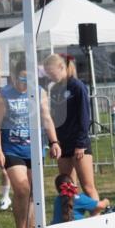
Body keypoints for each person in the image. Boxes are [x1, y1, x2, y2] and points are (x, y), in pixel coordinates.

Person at [0, 62, 62, 228]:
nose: (25, 83)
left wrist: (54, 142)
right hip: (12, 149)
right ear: (14, 77)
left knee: (33, 194)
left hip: (35, 149)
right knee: (22, 189)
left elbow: (46, 118)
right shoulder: (4, 96)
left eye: (28, 79)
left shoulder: (39, 92)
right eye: (22, 78)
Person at [44, 53, 99, 202]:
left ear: (61, 67)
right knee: (67, 187)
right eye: (47, 73)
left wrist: (80, 144)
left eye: (51, 71)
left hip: (78, 143)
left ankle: (97, 217)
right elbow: (53, 118)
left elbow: (84, 116)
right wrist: (53, 142)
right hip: (63, 144)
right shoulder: (55, 89)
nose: (49, 75)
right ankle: (70, 219)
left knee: (88, 187)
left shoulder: (77, 86)